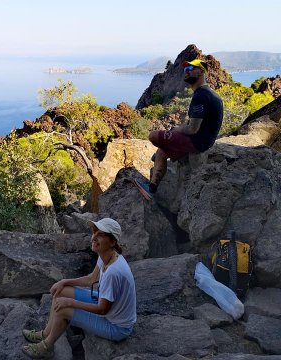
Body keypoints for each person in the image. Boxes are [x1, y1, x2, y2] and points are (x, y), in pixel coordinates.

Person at [21, 218, 136, 359]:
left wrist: (70, 303)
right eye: (94, 232)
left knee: (63, 309)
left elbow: (103, 309)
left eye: (101, 235)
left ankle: (47, 347)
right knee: (61, 291)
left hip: (117, 327)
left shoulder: (114, 272)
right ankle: (46, 333)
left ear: (112, 242)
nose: (94, 237)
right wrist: (64, 282)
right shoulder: (106, 255)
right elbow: (91, 279)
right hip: (105, 306)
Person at [134, 59, 224, 200]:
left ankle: (164, 154)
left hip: (197, 142)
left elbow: (193, 129)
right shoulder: (208, 93)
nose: (186, 73)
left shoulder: (201, 95)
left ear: (201, 72)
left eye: (190, 69)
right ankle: (152, 188)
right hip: (203, 140)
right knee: (161, 152)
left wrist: (174, 131)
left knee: (153, 136)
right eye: (185, 70)